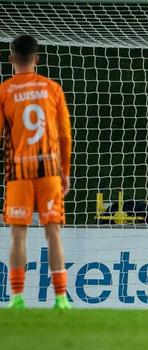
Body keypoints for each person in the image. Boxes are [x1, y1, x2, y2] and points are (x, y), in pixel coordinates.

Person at [0, 35, 72, 309]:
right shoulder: (52, 89)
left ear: (10, 59)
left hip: (19, 171)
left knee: (18, 234)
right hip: (49, 170)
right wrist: (64, 171)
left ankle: (17, 298)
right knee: (52, 231)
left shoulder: (5, 91)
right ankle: (61, 298)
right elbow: (65, 135)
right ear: (37, 59)